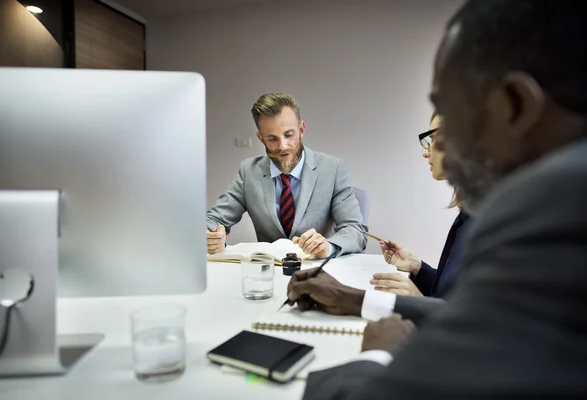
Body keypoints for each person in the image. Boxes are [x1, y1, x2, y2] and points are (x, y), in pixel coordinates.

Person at [291, 1, 587, 398]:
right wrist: (356, 299)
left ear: (515, 105)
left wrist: (375, 357)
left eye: (447, 110)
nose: (439, 142)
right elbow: (483, 318)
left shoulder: (554, 214)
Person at [206, 93, 366, 258]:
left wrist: (328, 247)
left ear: (302, 129)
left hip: (316, 270)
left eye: (289, 135)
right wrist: (210, 235)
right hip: (268, 272)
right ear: (261, 138)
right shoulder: (249, 171)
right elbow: (213, 219)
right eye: (272, 138)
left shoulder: (334, 169)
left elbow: (355, 230)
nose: (282, 146)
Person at [372, 112, 469, 298]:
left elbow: (472, 320)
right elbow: (448, 292)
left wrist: (417, 299)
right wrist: (416, 267)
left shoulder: (489, 221)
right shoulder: (468, 213)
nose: (426, 152)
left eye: (433, 138)